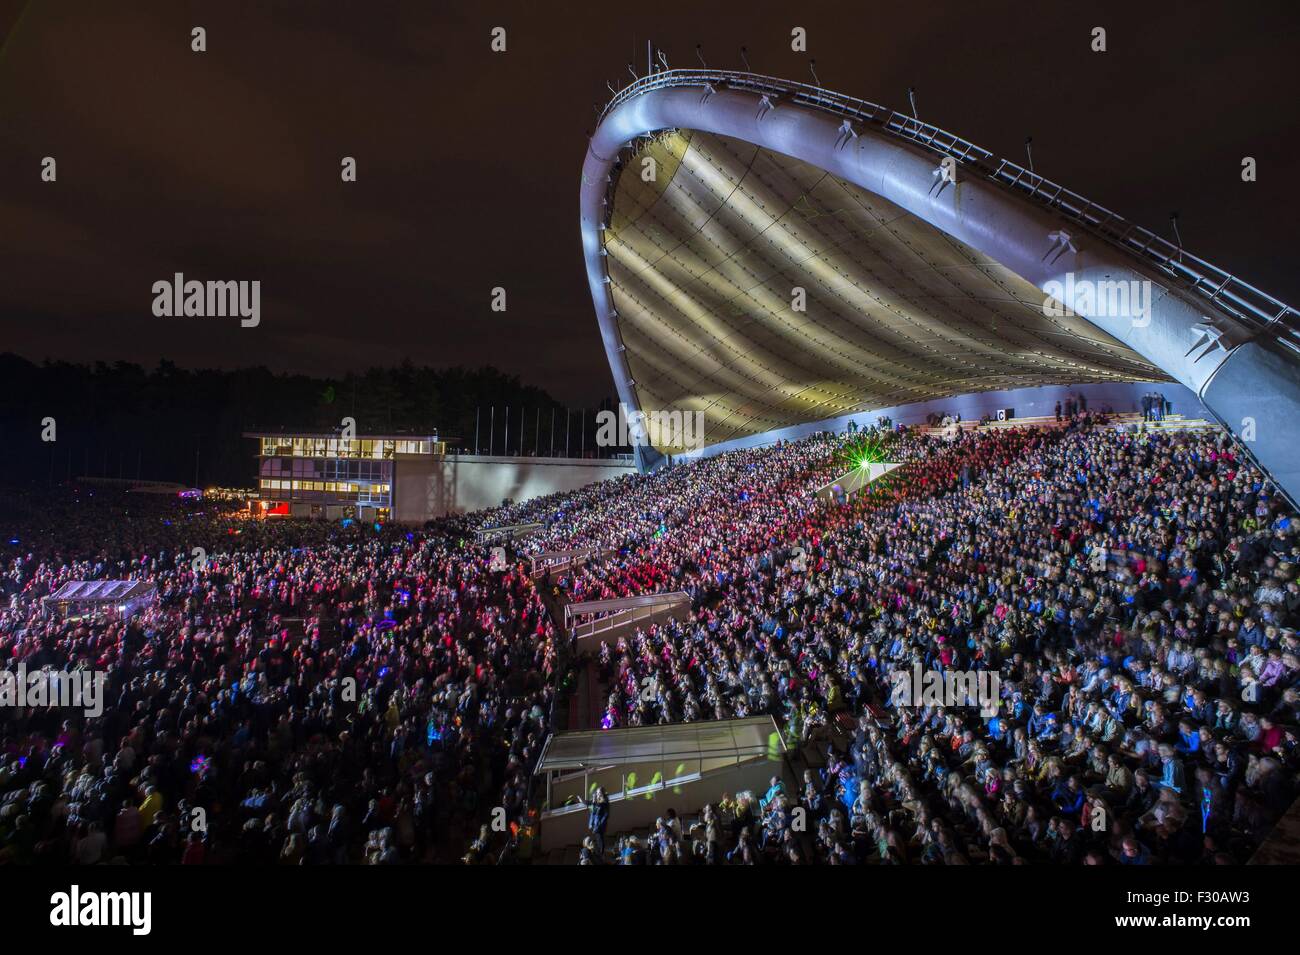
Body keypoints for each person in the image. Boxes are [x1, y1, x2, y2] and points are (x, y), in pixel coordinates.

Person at [587, 786, 610, 858]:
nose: (597, 794)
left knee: (600, 839)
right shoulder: (598, 799)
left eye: (599, 792)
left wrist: (599, 824)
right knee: (598, 838)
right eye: (597, 792)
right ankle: (601, 854)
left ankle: (601, 855)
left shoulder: (604, 801)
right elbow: (593, 808)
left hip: (600, 824)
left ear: (602, 793)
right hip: (596, 823)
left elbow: (604, 812)